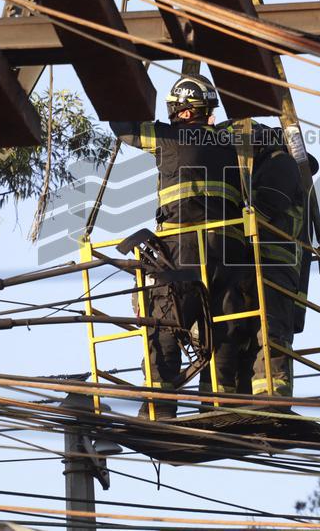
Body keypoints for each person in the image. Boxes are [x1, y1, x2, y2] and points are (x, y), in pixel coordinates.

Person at [110, 74, 246, 418]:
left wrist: (118, 79)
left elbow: (124, 129)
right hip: (228, 251)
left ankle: (160, 408)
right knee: (224, 327)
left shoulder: (169, 137)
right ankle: (217, 407)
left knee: (166, 322)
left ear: (183, 111)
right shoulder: (231, 143)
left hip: (182, 247)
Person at [221, 122, 316, 399]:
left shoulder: (281, 163)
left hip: (274, 264)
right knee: (241, 333)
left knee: (268, 329)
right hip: (255, 264)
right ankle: (241, 397)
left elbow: (265, 207)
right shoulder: (264, 168)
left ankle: (272, 393)